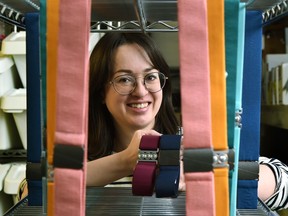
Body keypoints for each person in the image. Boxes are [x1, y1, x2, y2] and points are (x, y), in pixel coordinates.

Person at [86, 32, 288, 211]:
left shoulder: (191, 142)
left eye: (150, 77)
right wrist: (125, 161)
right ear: (101, 92)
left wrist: (205, 173)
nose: (140, 91)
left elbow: (283, 181)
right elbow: (57, 184)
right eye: (124, 79)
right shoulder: (82, 155)